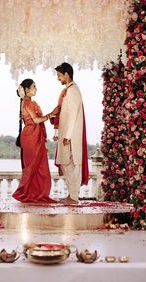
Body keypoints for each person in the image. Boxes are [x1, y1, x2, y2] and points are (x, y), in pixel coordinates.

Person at [12, 78, 59, 203]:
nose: (36, 89)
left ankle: (36, 194)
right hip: (31, 137)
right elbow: (36, 120)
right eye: (34, 87)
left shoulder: (30, 103)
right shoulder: (28, 103)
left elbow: (38, 120)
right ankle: (28, 194)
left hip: (35, 136)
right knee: (33, 167)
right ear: (26, 90)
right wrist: (52, 113)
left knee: (40, 167)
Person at [53, 63, 89, 204]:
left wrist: (67, 135)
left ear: (66, 74)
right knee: (66, 164)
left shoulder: (73, 91)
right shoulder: (69, 90)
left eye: (59, 75)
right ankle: (71, 195)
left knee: (72, 166)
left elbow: (73, 114)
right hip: (67, 135)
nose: (58, 78)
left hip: (71, 137)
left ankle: (74, 197)